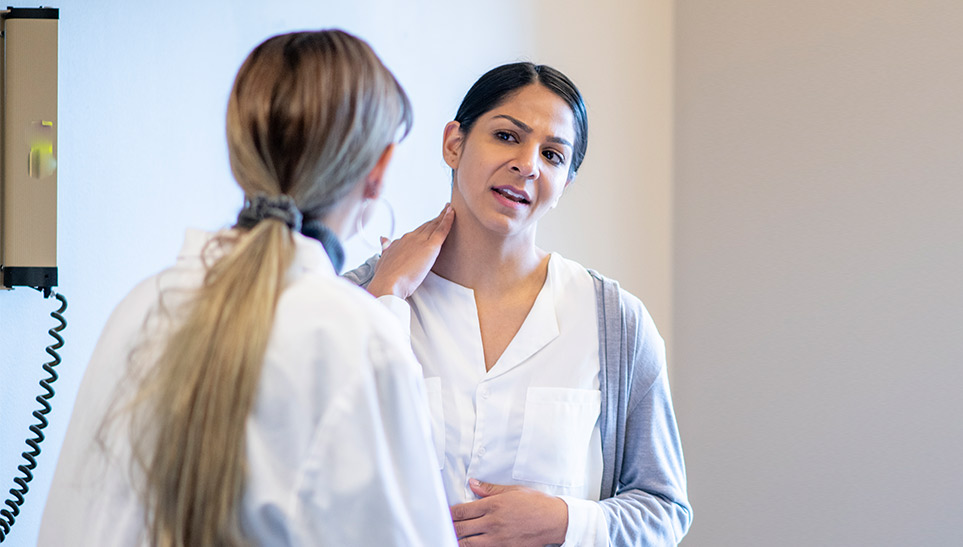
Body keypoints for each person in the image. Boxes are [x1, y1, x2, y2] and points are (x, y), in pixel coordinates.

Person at [39, 30, 455, 546]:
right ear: (379, 172)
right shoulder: (357, 338)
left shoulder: (145, 305)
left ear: (240, 152)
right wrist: (385, 303)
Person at [346, 62, 690, 546]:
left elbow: (665, 510)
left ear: (566, 180)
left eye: (552, 154)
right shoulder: (356, 297)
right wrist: (383, 299)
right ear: (454, 143)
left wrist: (565, 522)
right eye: (508, 136)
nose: (528, 164)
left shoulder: (616, 323)